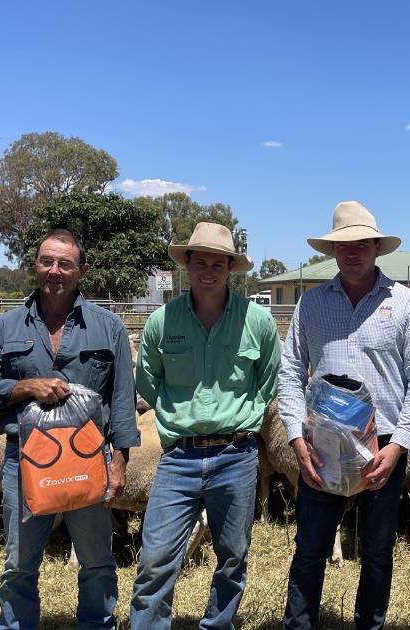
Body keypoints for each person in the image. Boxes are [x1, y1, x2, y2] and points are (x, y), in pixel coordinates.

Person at [0, 228, 140, 630]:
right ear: (36, 266)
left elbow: (121, 401)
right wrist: (26, 387)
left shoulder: (108, 327)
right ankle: (15, 625)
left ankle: (97, 623)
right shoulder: (6, 327)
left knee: (97, 560)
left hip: (87, 458)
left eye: (65, 263)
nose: (55, 271)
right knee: (18, 563)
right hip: (26, 461)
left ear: (82, 270)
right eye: (47, 261)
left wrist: (119, 461)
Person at [278, 201, 410, 630]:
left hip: (381, 443)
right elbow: (290, 371)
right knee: (310, 546)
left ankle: (370, 624)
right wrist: (296, 438)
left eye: (361, 243)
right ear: (331, 250)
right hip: (322, 442)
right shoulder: (310, 304)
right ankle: (300, 624)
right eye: (342, 244)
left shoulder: (406, 304)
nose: (351, 252)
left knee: (377, 548)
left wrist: (400, 444)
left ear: (377, 247)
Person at [130, 222, 281, 629]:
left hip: (237, 455)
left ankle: (218, 623)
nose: (209, 270)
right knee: (156, 557)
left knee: (233, 555)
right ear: (187, 266)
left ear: (231, 267)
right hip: (179, 457)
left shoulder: (258, 322)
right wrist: (178, 419)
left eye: (219, 262)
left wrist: (244, 421)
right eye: (201, 262)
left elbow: (268, 382)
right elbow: (148, 381)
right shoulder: (163, 322)